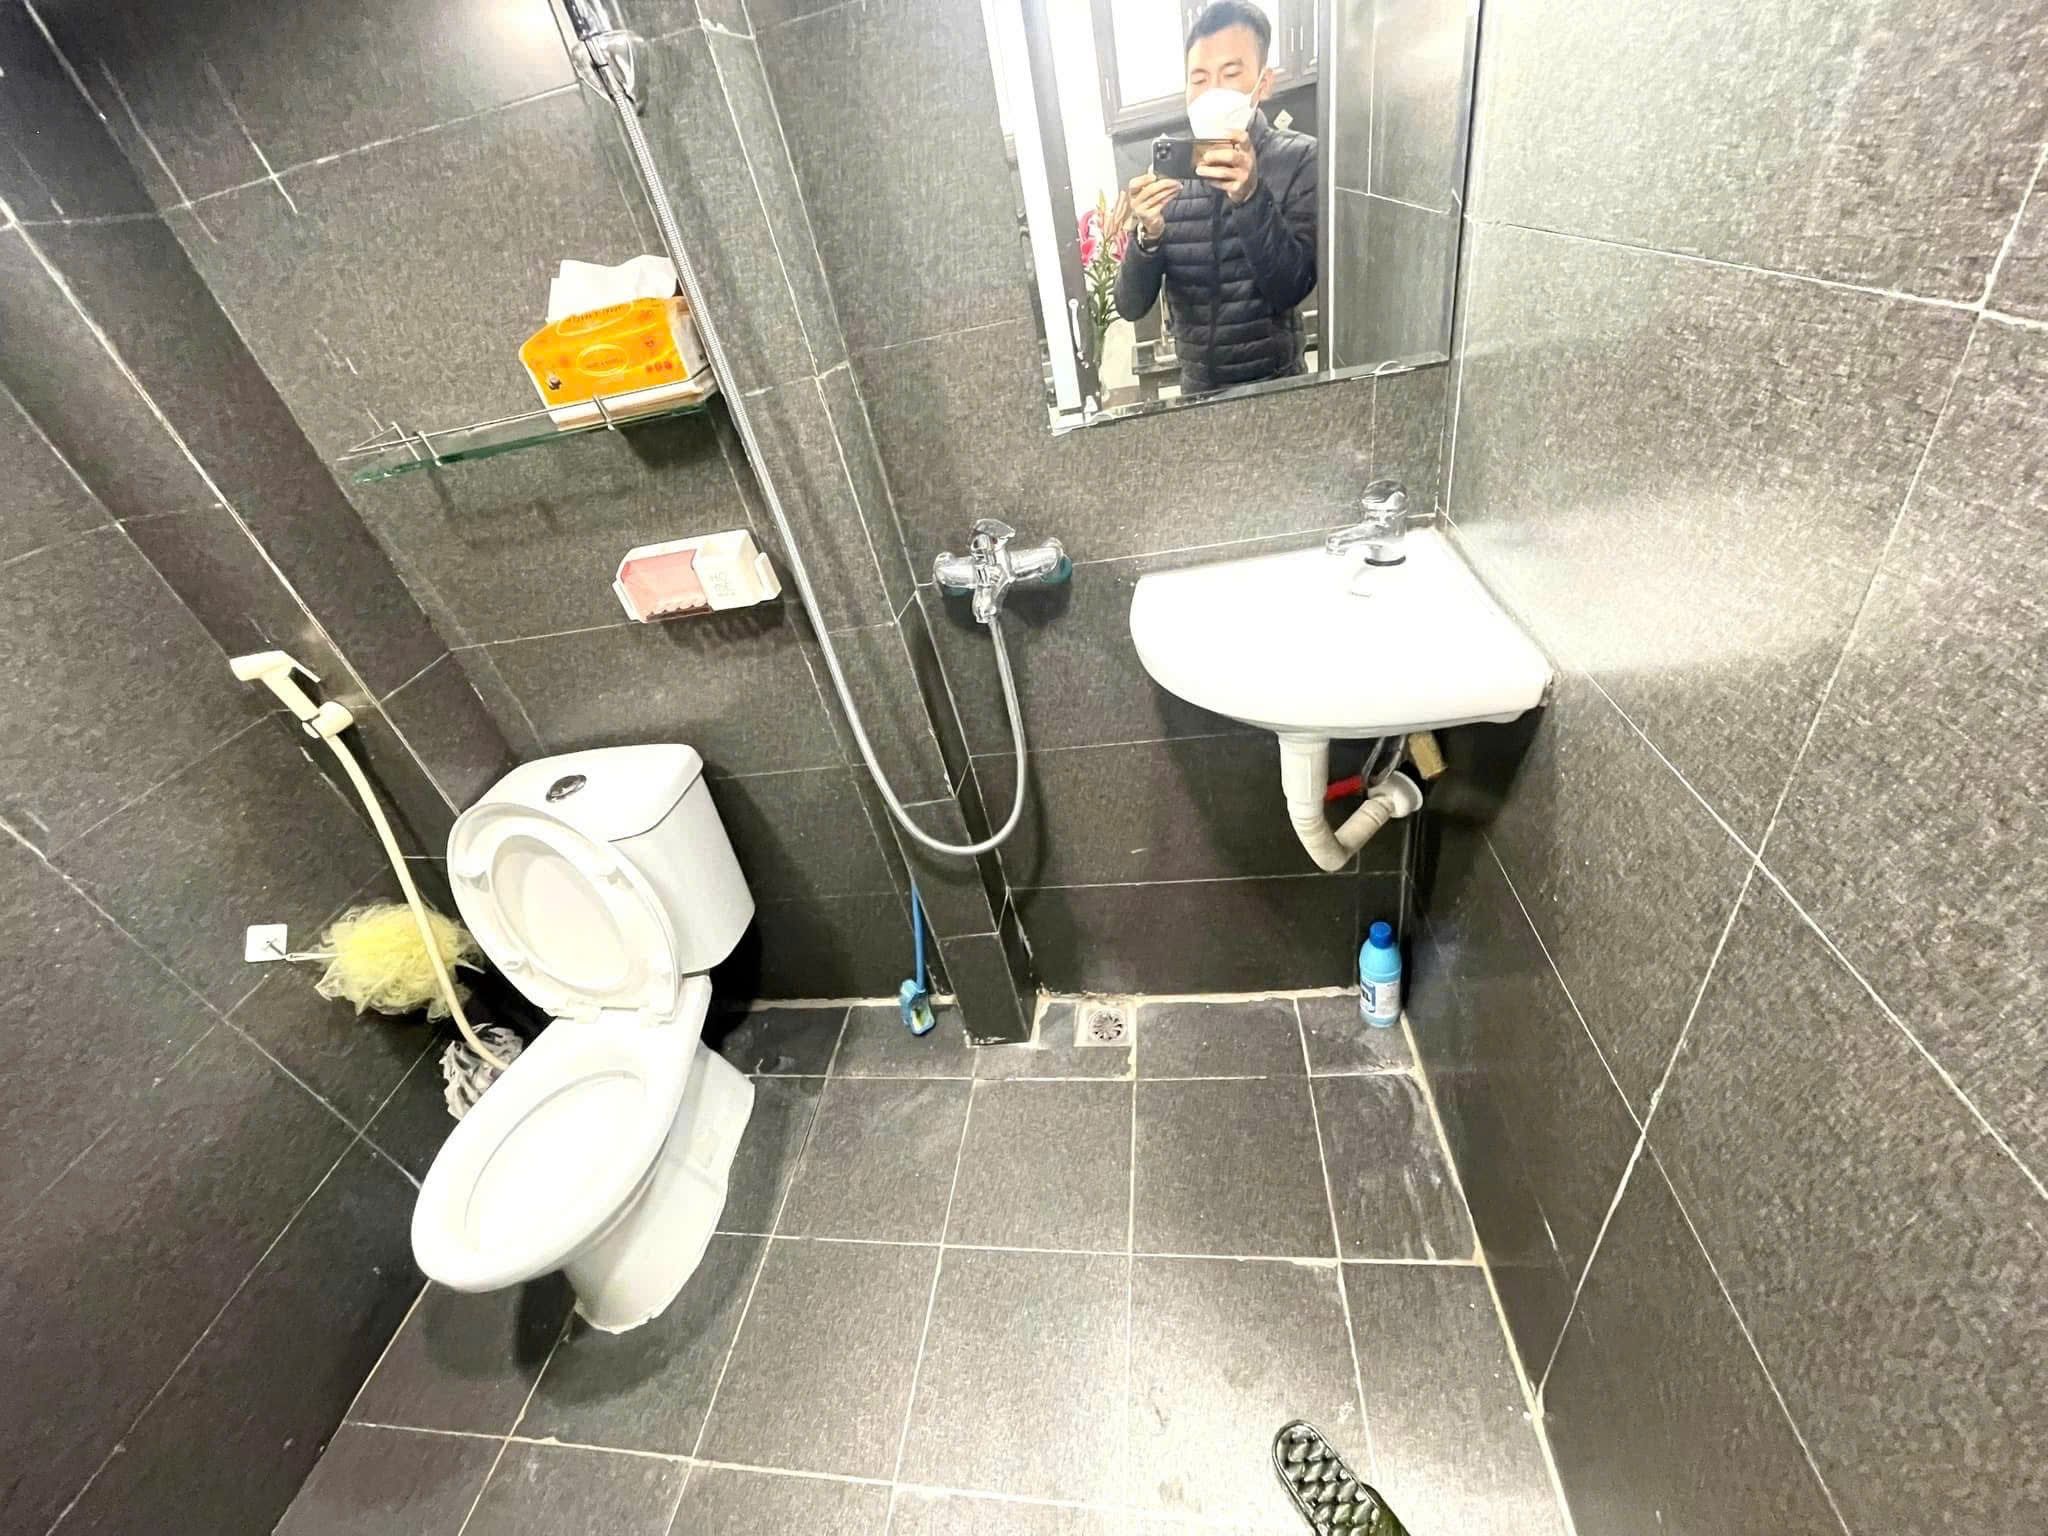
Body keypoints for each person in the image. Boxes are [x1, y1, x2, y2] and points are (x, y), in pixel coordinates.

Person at [1113, 0, 1317, 394]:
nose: (1212, 91)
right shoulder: (1172, 173)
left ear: (1263, 83)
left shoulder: (1300, 159)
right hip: (1197, 394)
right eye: (1200, 78)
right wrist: (1147, 237)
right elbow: (1130, 306)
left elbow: (1291, 289)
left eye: (1230, 74)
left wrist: (1251, 197)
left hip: (1278, 390)